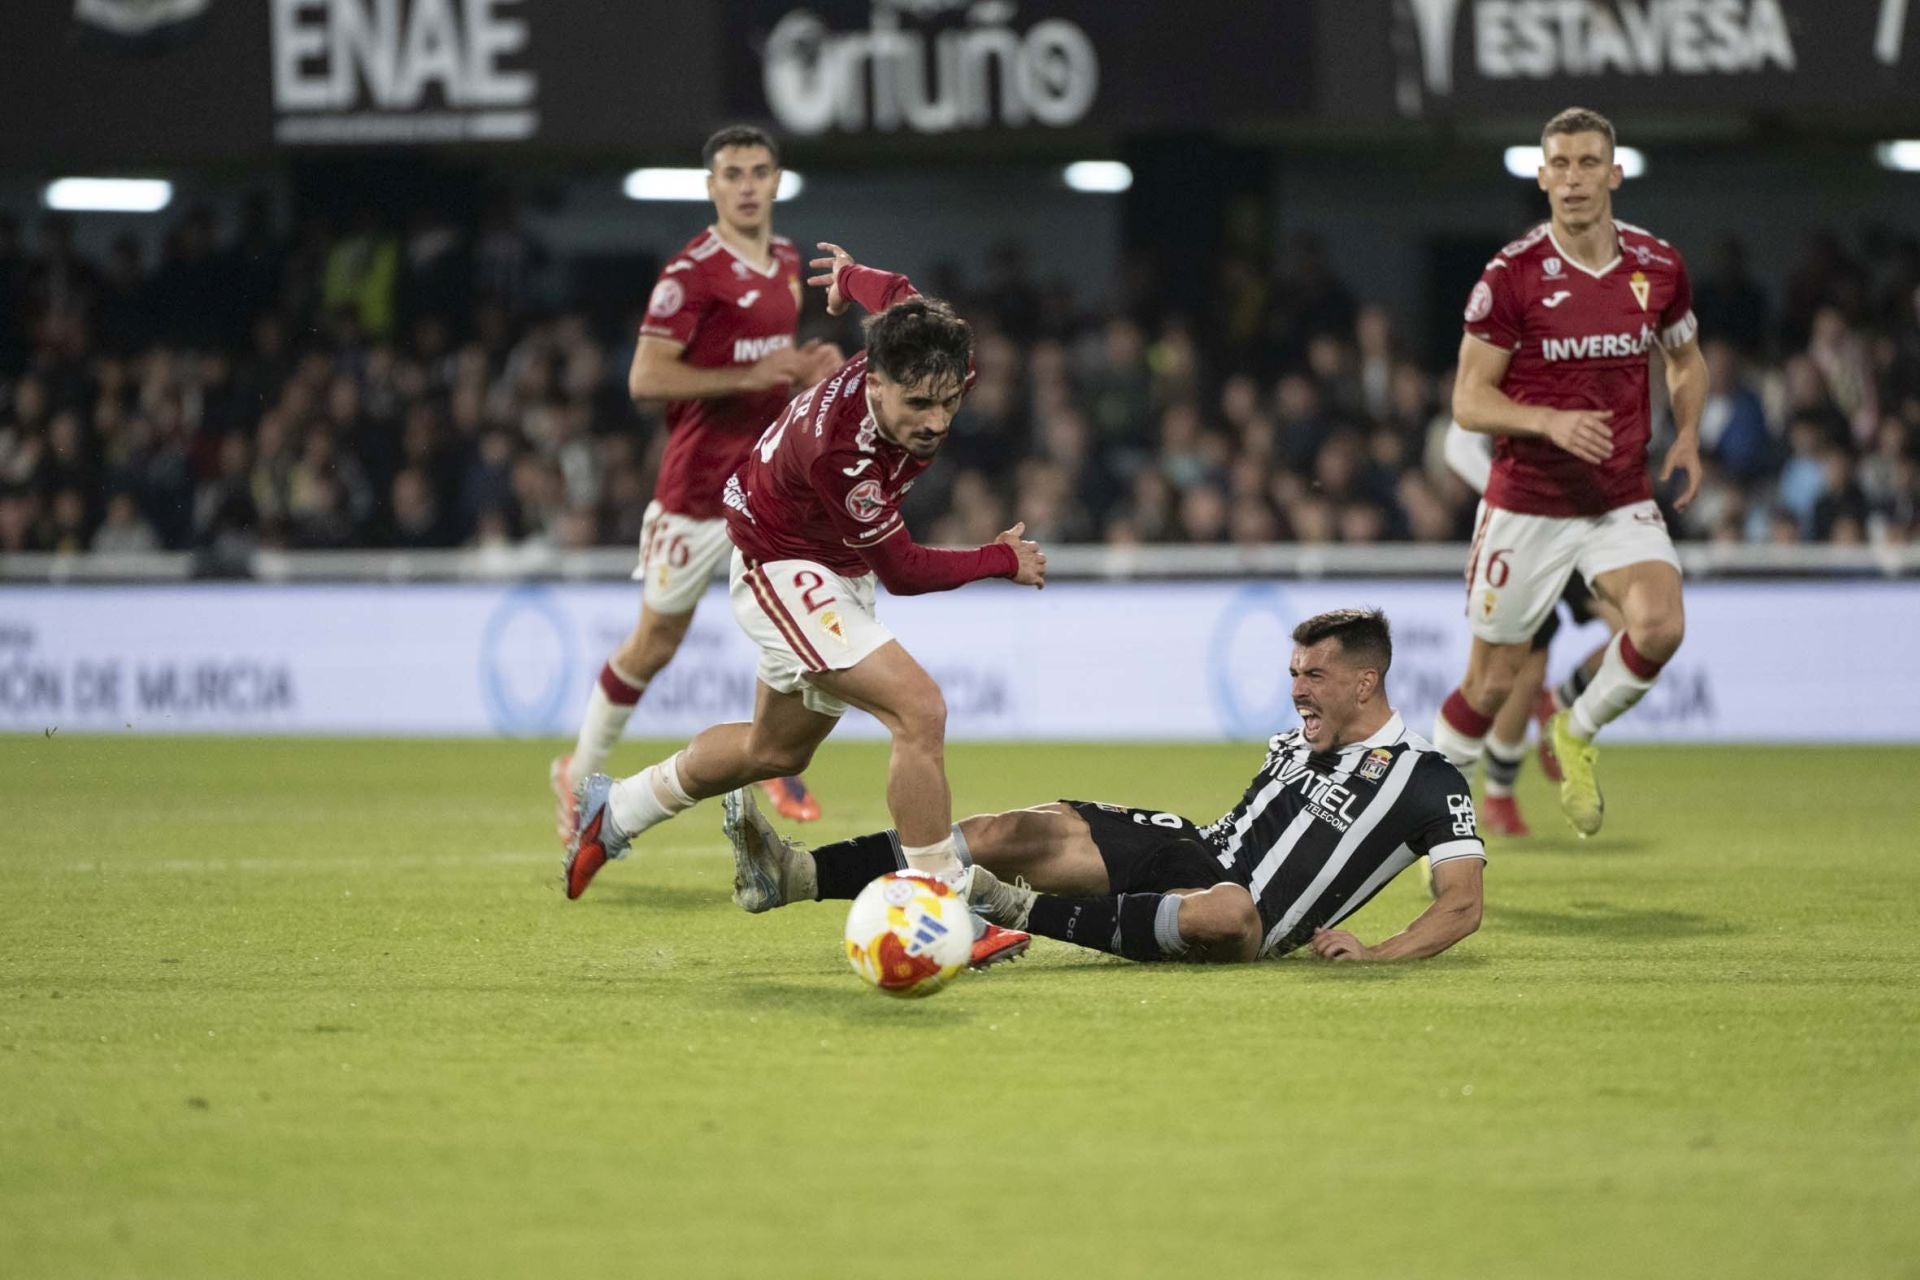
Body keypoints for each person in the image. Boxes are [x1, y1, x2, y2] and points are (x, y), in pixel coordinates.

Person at [566, 243, 1047, 966]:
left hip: (830, 566)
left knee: (774, 750)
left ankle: (618, 808)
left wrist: (848, 279)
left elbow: (899, 290)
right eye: (918, 404)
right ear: (875, 383)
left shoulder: (934, 354)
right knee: (920, 711)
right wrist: (999, 558)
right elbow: (906, 570)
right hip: (783, 567)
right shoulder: (839, 449)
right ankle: (942, 907)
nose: (938, 420)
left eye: (949, 402)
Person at [725, 609, 1484, 966]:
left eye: (1314, 676)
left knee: (1227, 909)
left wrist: (1381, 954)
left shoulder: (1429, 779)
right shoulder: (1297, 740)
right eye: (1293, 675)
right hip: (1194, 851)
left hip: (1243, 919)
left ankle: (1014, 910)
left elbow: (1462, 902)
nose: (1297, 692)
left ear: (1367, 681)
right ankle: (791, 874)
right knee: (1022, 827)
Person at [549, 125, 842, 842]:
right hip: (693, 495)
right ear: (711, 187)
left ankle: (772, 755)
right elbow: (645, 379)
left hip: (764, 488)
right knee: (653, 645)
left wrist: (804, 372)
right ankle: (577, 769)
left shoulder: (785, 260)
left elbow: (773, 372)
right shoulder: (692, 273)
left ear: (777, 181)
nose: (746, 185)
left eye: (759, 171)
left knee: (791, 615)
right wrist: (756, 374)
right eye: (732, 173)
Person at [1432, 106, 1705, 837]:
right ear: (1542, 175)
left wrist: (1689, 437)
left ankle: (1576, 729)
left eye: (1589, 163)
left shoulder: (1658, 266)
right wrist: (1549, 421)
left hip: (1618, 499)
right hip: (1528, 504)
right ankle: (1429, 824)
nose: (1575, 177)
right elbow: (1468, 400)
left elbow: (1684, 359)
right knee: (1489, 684)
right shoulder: (1510, 278)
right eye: (1561, 163)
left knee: (1660, 625)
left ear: (1614, 174)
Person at [1440, 420, 1620, 835]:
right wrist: (1519, 501)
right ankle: (1496, 798)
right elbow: (1459, 443)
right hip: (1519, 533)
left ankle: (1558, 701)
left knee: (1635, 629)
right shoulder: (1509, 364)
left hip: (1584, 526)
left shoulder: (1592, 368)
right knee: (1517, 669)